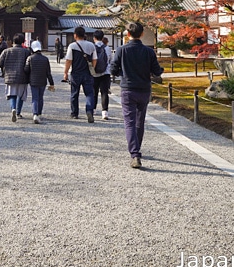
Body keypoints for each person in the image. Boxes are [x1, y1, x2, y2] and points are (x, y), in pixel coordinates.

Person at [110, 22, 164, 169]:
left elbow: (113, 70)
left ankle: (135, 154)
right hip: (144, 89)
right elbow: (157, 71)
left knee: (129, 122)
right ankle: (137, 148)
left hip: (128, 89)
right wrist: (161, 69)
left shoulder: (121, 50)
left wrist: (123, 73)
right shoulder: (149, 52)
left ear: (128, 34)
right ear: (141, 34)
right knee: (140, 121)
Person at [62, 26, 97, 122]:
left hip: (76, 73)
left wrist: (65, 72)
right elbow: (94, 59)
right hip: (87, 73)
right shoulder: (91, 45)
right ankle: (89, 111)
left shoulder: (72, 46)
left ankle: (74, 113)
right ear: (84, 35)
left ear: (75, 35)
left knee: (74, 93)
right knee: (89, 93)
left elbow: (69, 60)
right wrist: (92, 68)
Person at [0, 33, 30, 122]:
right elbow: (29, 64)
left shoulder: (6, 51)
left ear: (13, 41)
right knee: (21, 95)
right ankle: (18, 112)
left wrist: (5, 69)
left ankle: (13, 109)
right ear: (23, 42)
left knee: (12, 94)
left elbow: (0, 62)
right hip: (23, 76)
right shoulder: (26, 52)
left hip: (10, 76)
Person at [24, 40, 54, 124]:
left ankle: (35, 114)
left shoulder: (30, 58)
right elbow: (48, 72)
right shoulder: (45, 59)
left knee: (35, 98)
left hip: (33, 81)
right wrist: (52, 83)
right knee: (40, 97)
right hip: (43, 81)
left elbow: (26, 70)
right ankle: (39, 113)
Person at [92, 30, 113, 120]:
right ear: (102, 37)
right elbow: (111, 61)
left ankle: (93, 109)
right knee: (104, 92)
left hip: (94, 73)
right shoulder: (107, 48)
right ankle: (105, 112)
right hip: (105, 73)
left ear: (94, 38)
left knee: (94, 92)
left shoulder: (92, 47)